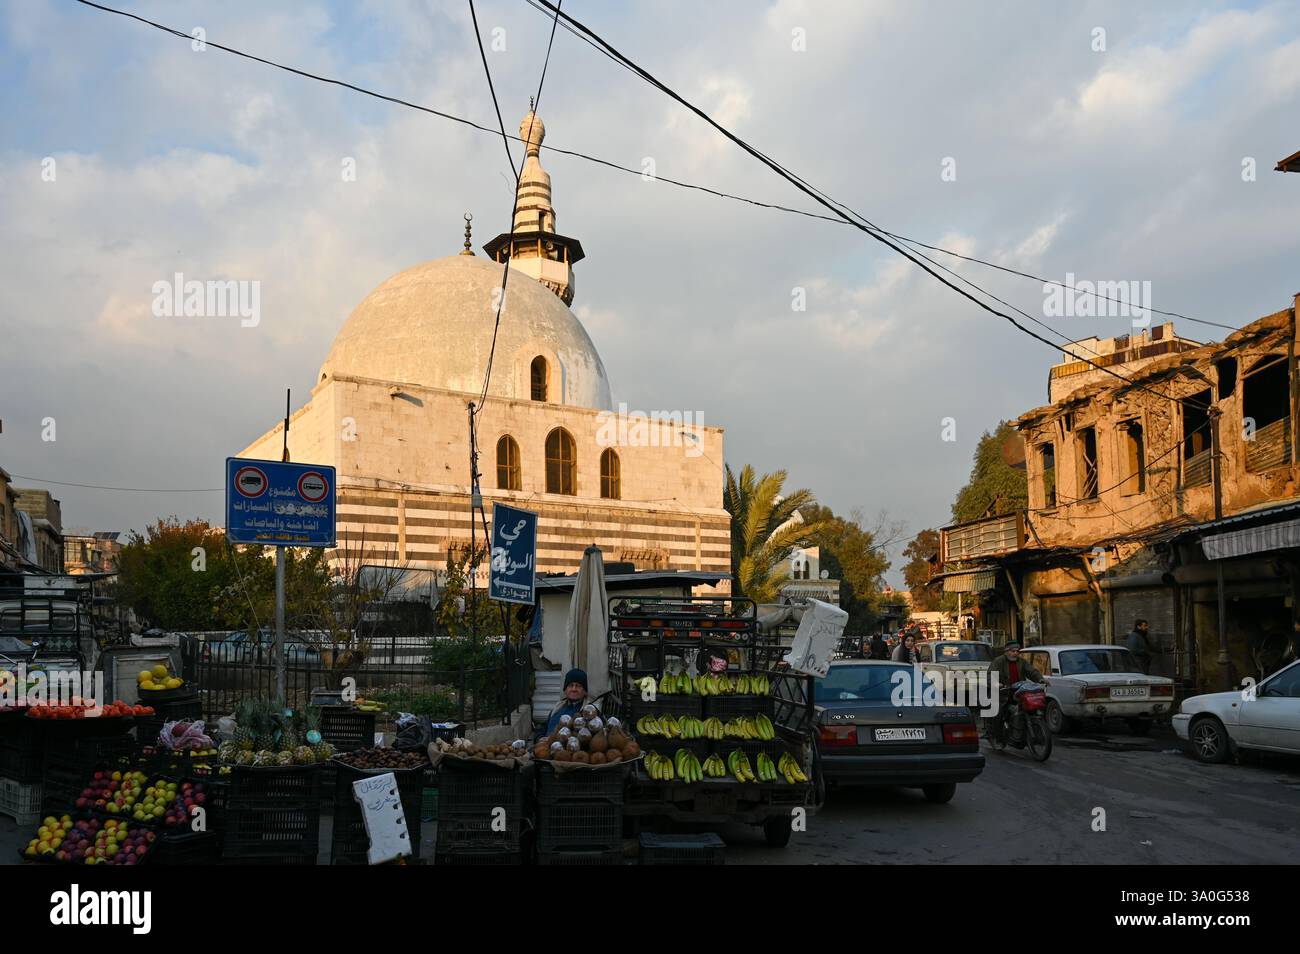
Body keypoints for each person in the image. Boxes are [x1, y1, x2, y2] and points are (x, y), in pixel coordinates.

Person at [987, 640, 1043, 738]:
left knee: (1033, 708)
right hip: (1002, 692)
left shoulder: (1022, 662)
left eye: (1017, 651)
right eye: (1013, 651)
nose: (1015, 653)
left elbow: (1031, 671)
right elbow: (991, 675)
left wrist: (1040, 679)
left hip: (1018, 692)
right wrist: (996, 683)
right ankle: (997, 736)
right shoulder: (998, 661)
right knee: (998, 714)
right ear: (1006, 651)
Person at [543, 668, 596, 736]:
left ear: (585, 691)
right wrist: (539, 738)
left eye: (578, 686)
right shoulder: (558, 707)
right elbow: (543, 727)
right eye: (571, 685)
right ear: (565, 690)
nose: (574, 689)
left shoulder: (590, 711)